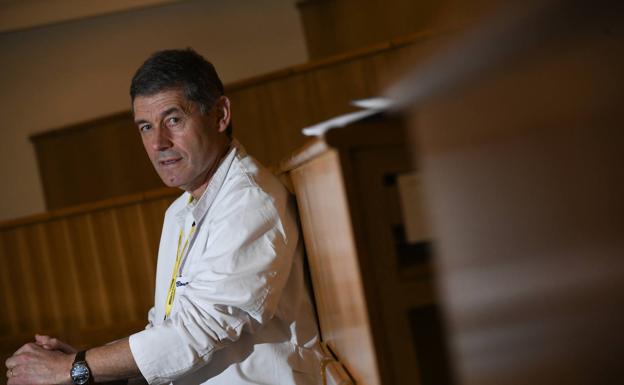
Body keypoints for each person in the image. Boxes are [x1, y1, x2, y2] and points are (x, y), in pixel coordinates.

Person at [5, 49, 322, 385]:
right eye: (145, 126)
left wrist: (74, 368)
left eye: (174, 120)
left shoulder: (249, 202)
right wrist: (81, 364)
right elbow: (168, 329)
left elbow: (194, 333)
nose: (158, 142)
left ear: (220, 115)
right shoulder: (179, 212)